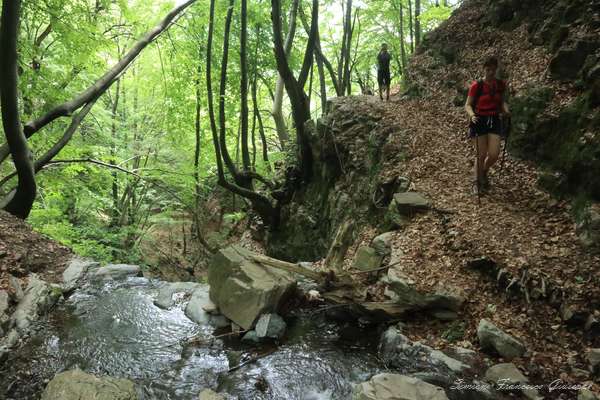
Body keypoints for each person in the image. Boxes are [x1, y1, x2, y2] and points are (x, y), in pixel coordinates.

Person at [465, 56, 510, 195]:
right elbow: (467, 105)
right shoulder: (476, 86)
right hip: (479, 120)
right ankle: (476, 183)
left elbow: (502, 101)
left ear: (496, 69)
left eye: (493, 69)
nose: (490, 72)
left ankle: (483, 171)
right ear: (484, 69)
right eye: (488, 69)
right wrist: (472, 115)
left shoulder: (500, 85)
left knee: (494, 154)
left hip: (494, 119)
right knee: (481, 154)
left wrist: (506, 110)